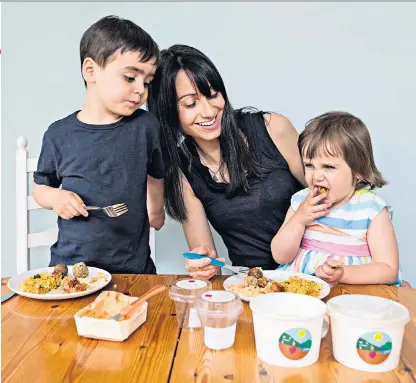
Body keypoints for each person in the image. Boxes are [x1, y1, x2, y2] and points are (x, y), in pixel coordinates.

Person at [147, 44, 305, 279]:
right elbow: (206, 256)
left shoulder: (273, 128)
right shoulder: (182, 171)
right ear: (168, 112)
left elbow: (328, 192)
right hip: (253, 284)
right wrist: (204, 266)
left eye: (213, 95)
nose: (209, 111)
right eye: (191, 104)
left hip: (311, 273)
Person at [32, 15, 165, 274]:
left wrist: (156, 209)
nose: (141, 90)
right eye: (130, 77)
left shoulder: (146, 127)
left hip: (133, 268)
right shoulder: (58, 134)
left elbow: (156, 174)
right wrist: (56, 197)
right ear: (91, 71)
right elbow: (41, 188)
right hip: (71, 268)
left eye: (147, 82)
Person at [271, 111, 402, 286]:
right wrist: (299, 220)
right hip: (303, 294)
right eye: (309, 165)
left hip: (353, 296)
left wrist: (344, 274)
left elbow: (388, 269)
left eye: (328, 167)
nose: (316, 176)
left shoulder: (371, 209)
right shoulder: (301, 201)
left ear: (358, 170)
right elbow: (280, 256)